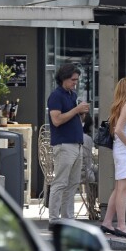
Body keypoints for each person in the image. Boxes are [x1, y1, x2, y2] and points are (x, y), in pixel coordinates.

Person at [47, 63, 90, 229]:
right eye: (72, 80)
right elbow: (56, 120)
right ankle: (54, 219)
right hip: (64, 145)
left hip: (76, 144)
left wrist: (81, 113)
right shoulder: (56, 96)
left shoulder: (71, 95)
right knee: (60, 182)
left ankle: (68, 218)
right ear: (63, 78)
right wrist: (76, 109)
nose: (75, 83)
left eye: (77, 80)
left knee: (72, 184)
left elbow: (74, 120)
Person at [100, 77, 126, 239]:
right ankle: (122, 226)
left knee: (119, 189)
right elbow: (118, 130)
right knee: (123, 190)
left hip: (121, 152)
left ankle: (107, 222)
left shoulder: (120, 107)